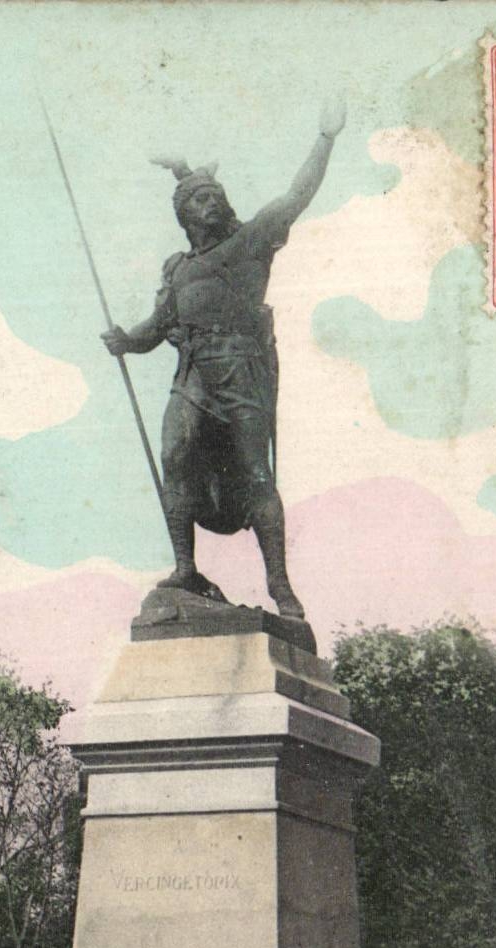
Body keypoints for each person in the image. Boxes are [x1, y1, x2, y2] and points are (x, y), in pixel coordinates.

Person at [102, 97, 346, 620]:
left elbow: (296, 196)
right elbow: (158, 327)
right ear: (184, 214)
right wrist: (127, 340)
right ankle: (185, 568)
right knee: (175, 455)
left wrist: (326, 138)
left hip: (241, 373)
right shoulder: (179, 268)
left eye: (216, 196)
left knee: (256, 477)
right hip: (192, 375)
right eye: (198, 199)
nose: (210, 203)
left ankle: (280, 586)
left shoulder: (250, 244)